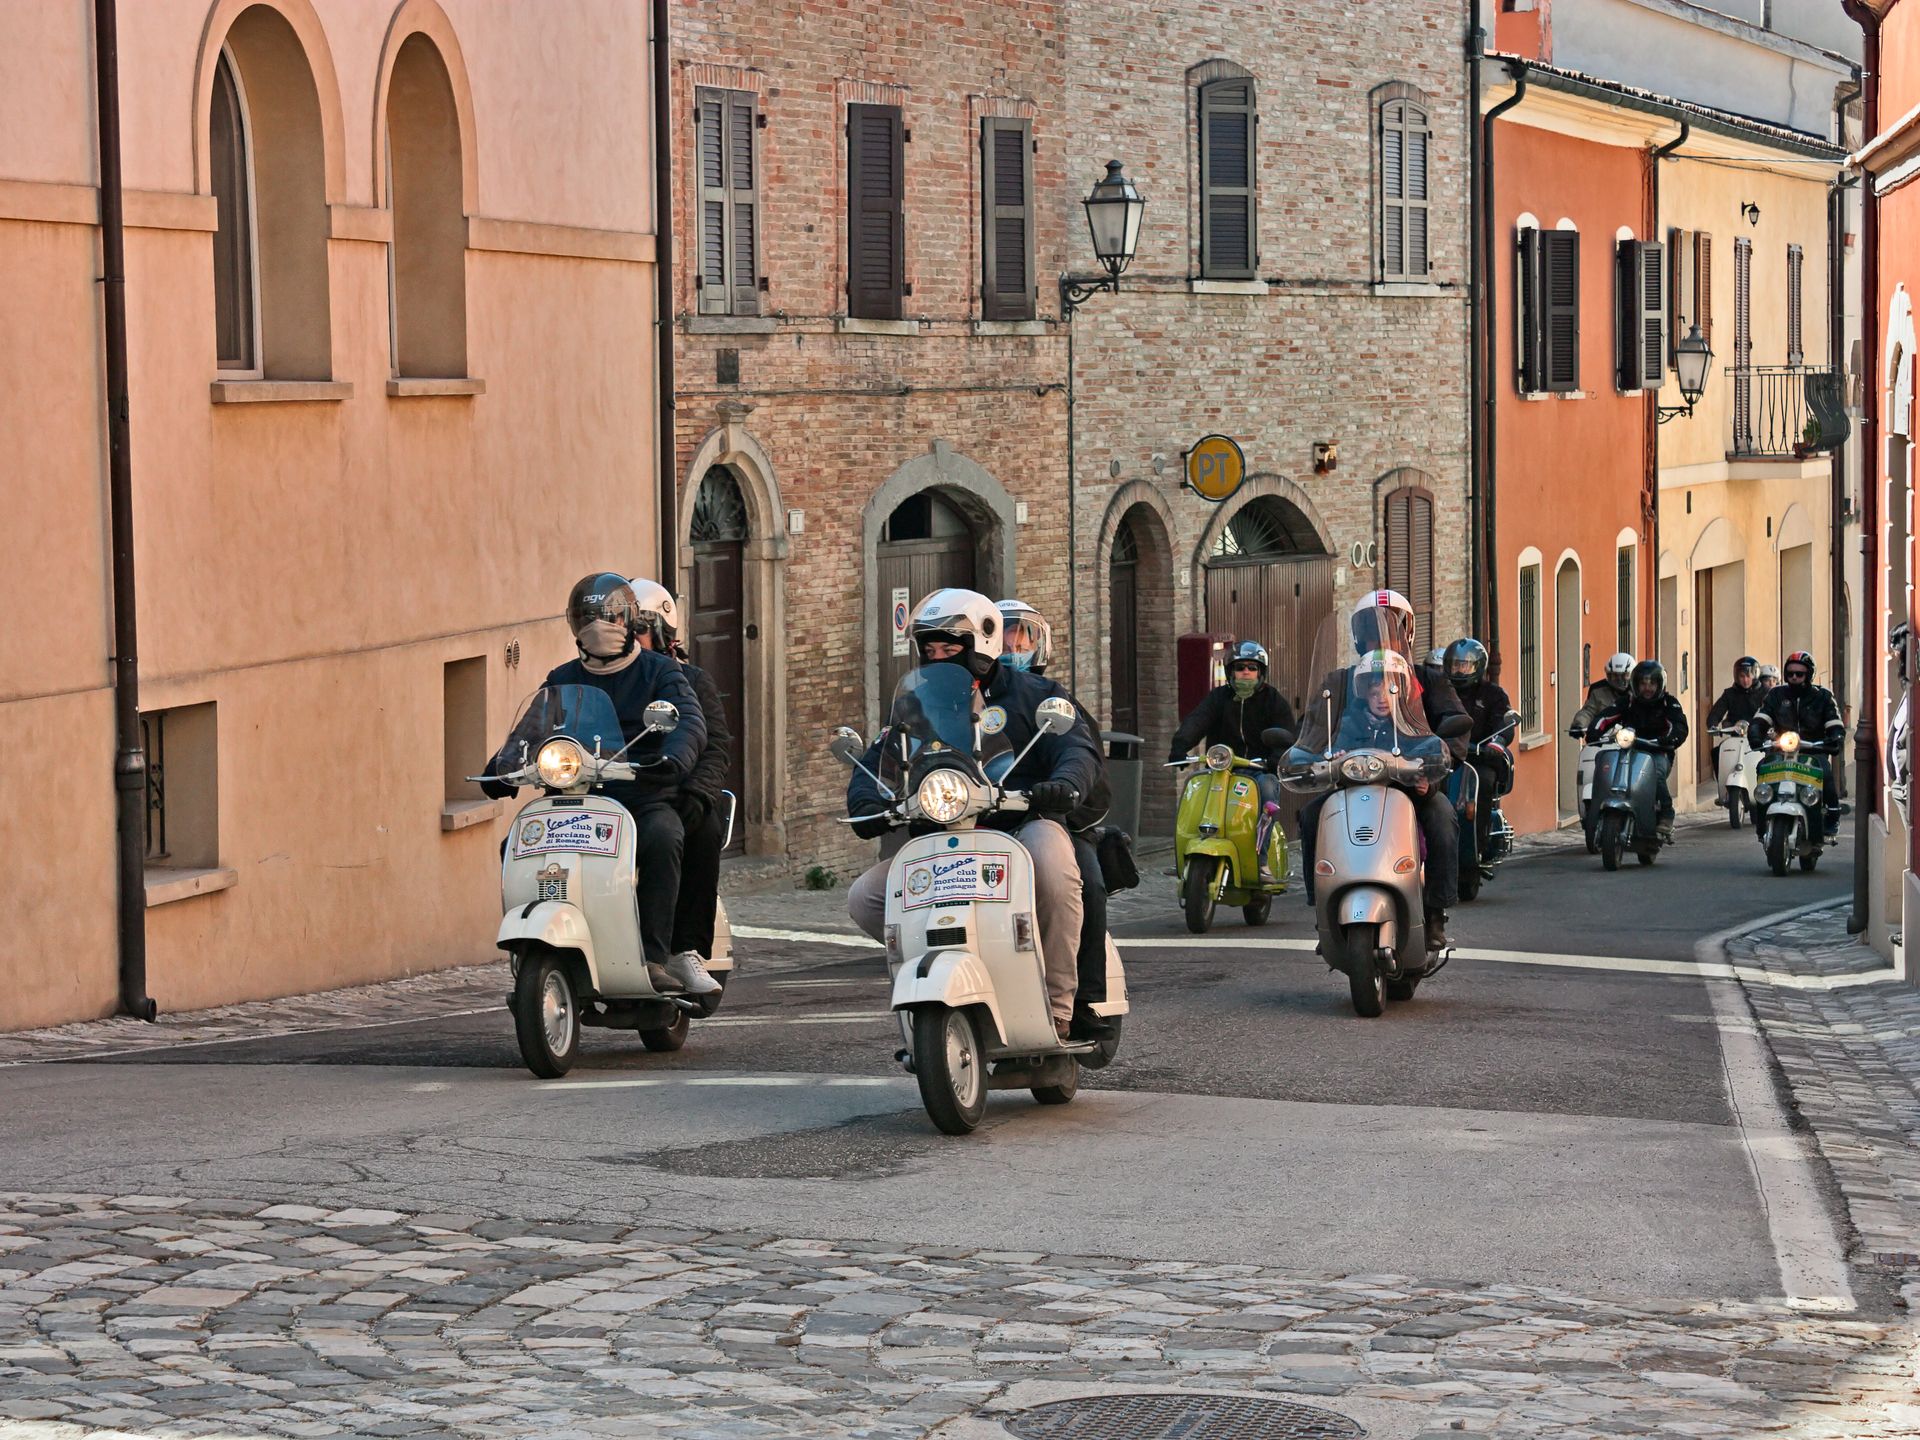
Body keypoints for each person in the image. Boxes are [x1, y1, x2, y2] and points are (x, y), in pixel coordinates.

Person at [845, 589, 1105, 1040]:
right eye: (930, 650)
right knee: (866, 897)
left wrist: (1063, 784)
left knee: (1055, 868)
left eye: (950, 649)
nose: (939, 658)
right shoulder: (916, 705)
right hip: (944, 832)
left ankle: (1059, 1004)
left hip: (1022, 825)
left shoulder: (1035, 695)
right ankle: (937, 979)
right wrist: (868, 799)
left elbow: (1075, 746)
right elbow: (882, 754)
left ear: (981, 644)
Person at [483, 573, 706, 992]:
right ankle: (536, 944)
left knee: (663, 837)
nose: (597, 627)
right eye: (586, 618)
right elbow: (532, 729)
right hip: (572, 798)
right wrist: (502, 765)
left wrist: (673, 756)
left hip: (641, 792)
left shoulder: (660, 673)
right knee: (517, 842)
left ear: (629, 622)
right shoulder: (562, 678)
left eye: (608, 617)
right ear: (574, 627)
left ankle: (655, 956)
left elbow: (688, 721)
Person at [1297, 591, 1460, 950]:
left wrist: (1430, 772)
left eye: (1391, 631)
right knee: (1311, 816)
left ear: (1409, 634)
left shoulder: (1427, 679)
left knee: (1443, 819)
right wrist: (1313, 756)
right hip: (1351, 784)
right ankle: (1322, 910)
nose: (1382, 640)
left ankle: (1434, 914)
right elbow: (1310, 728)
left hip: (1413, 788)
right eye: (1371, 632)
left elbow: (1455, 728)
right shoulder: (1340, 682)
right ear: (1357, 638)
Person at [998, 597, 1116, 1034]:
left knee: (1087, 883)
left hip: (1055, 820)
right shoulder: (968, 703)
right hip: (985, 825)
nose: (1013, 643)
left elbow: (1087, 766)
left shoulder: (1058, 701)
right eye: (1004, 634)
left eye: (1023, 634)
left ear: (1039, 644)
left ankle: (1083, 999)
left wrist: (1061, 794)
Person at [627, 577, 727, 997]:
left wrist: (697, 790)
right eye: (623, 628)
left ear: (664, 631)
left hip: (674, 792)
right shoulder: (597, 674)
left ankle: (683, 949)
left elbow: (716, 745)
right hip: (613, 792)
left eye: (639, 629)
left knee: (700, 824)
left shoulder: (691, 679)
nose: (629, 638)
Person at [1169, 640, 1298, 881]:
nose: (1246, 673)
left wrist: (1275, 759)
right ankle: (1182, 854)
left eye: (1252, 668)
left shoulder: (1273, 700)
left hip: (1259, 769)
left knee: (1269, 790)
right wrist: (1180, 747)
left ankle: (1260, 861)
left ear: (1261, 673)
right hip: (1221, 769)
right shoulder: (1219, 697)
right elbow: (1198, 720)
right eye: (1240, 668)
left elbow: (1286, 734)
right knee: (1193, 788)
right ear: (1230, 672)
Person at [1748, 650, 1845, 837]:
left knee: (1824, 771)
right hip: (1780, 750)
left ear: (1808, 675)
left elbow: (1834, 721)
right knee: (1762, 768)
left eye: (1799, 674)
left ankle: (1833, 816)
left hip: (1813, 750)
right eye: (1790, 673)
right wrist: (1755, 734)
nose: (1794, 677)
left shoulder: (1823, 696)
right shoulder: (1776, 694)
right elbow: (1762, 717)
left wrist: (1835, 737)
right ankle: (1761, 819)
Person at [1592, 659, 1688, 843]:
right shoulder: (1628, 702)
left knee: (1657, 773)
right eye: (1643, 683)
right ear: (1635, 684)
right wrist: (1594, 731)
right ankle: (1595, 813)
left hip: (1658, 751)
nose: (1647, 688)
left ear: (1660, 684)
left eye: (1652, 683)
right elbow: (1606, 716)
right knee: (1606, 763)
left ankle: (1667, 813)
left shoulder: (1669, 704)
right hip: (1630, 749)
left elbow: (1679, 726)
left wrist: (1669, 739)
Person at [1442, 637, 1513, 863]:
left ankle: (1478, 845)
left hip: (1479, 758)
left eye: (1464, 665)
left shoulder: (1493, 694)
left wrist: (1498, 741)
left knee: (1482, 784)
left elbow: (1504, 721)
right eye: (1455, 665)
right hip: (1444, 757)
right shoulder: (1440, 690)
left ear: (1478, 666)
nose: (1459, 670)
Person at [1706, 657, 1763, 781]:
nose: (1745, 680)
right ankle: (1722, 786)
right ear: (1736, 676)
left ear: (1755, 675)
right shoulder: (1729, 694)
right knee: (1717, 752)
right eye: (1742, 676)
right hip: (1736, 735)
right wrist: (1713, 725)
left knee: (1770, 756)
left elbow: (1773, 711)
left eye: (1749, 676)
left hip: (1759, 737)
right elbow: (1716, 712)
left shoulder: (1765, 693)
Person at [1570, 651, 1636, 738]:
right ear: (1608, 675)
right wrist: (1578, 725)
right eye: (1615, 675)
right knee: (1587, 751)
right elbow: (1588, 711)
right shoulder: (1598, 690)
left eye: (1624, 675)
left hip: (1634, 740)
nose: (1619, 680)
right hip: (1602, 740)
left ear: (1633, 675)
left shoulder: (1639, 691)